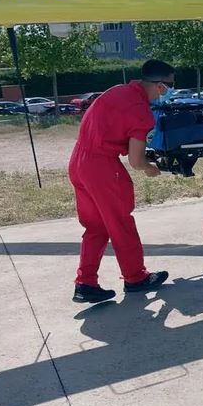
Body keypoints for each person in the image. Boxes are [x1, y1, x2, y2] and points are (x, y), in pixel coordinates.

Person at [69, 59, 176, 304]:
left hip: (78, 160)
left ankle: (85, 283)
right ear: (160, 86)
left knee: (96, 226)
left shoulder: (116, 91)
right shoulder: (141, 112)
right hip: (102, 167)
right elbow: (136, 161)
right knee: (120, 223)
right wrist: (151, 168)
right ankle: (135, 277)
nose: (169, 92)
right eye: (169, 87)